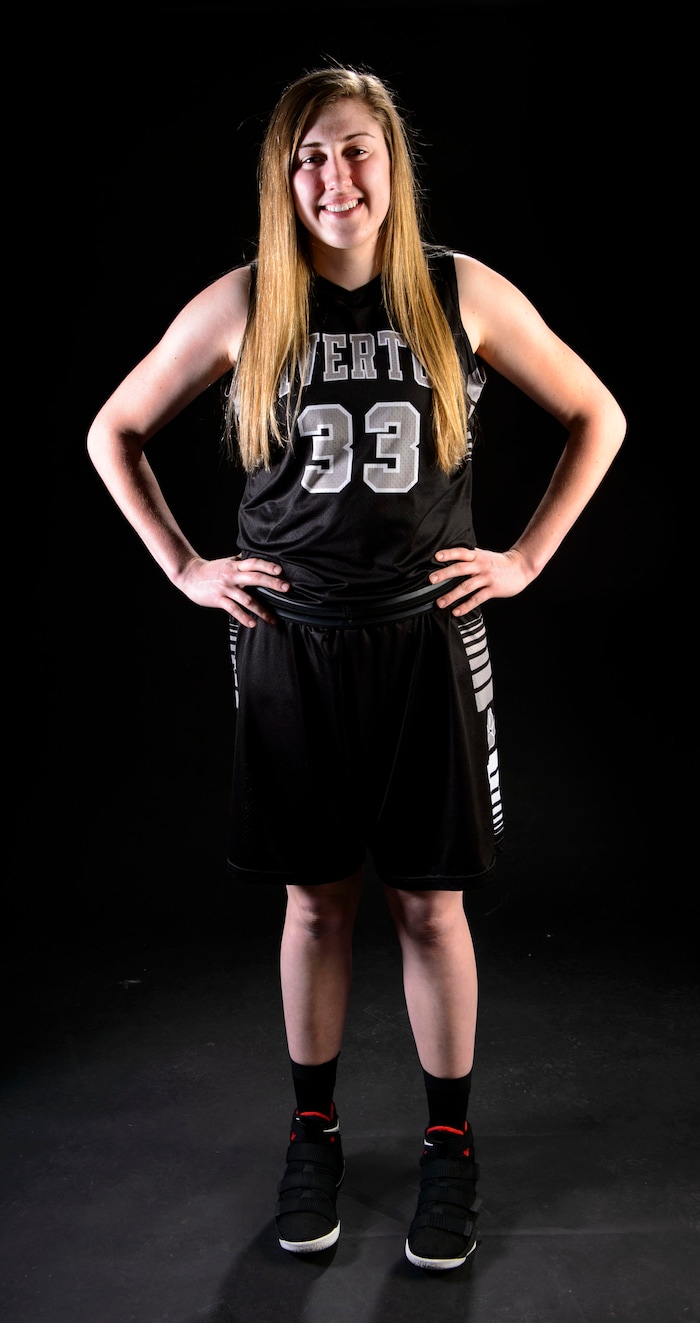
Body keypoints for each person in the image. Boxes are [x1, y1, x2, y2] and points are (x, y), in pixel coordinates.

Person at [86, 65, 626, 1272]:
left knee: (431, 906)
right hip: (291, 642)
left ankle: (449, 1148)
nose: (337, 176)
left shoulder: (456, 290)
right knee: (315, 900)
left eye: (356, 150)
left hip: (427, 636)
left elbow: (600, 413)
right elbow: (110, 429)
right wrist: (184, 566)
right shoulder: (244, 304)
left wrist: (529, 555)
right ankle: (315, 1133)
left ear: (394, 165)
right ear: (286, 179)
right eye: (312, 157)